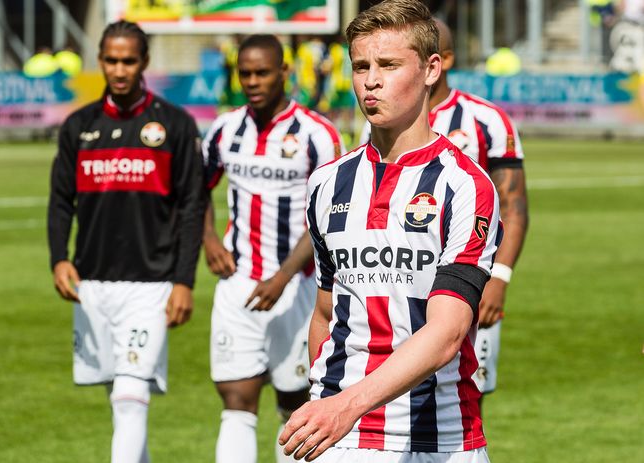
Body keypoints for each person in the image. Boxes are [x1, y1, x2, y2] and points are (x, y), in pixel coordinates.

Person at [279, 1, 501, 462]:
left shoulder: (465, 185)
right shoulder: (327, 182)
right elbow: (326, 311)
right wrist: (326, 406)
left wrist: (348, 405)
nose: (370, 81)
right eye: (361, 66)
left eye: (388, 65)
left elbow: (447, 333)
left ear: (430, 69)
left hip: (437, 435)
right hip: (340, 437)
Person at [47, 20, 206, 463]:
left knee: (131, 394)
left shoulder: (173, 124)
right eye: (112, 60)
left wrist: (183, 281)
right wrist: (59, 258)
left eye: (129, 61)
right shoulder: (78, 126)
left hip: (151, 283)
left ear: (144, 63)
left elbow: (192, 207)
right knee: (120, 399)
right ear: (100, 61)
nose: (120, 70)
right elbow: (60, 201)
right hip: (92, 283)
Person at [360, 18, 529, 412]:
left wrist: (499, 277)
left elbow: (515, 205)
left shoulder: (486, 120)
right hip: (395, 278)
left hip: (470, 279)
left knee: (463, 395)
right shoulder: (382, 119)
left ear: (440, 61)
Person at [202, 34, 343, 463]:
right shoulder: (225, 129)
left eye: (262, 72)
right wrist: (209, 240)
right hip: (238, 283)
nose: (252, 81)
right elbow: (196, 189)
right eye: (244, 73)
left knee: (295, 401)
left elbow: (330, 216)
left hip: (298, 287)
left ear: (284, 72)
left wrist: (283, 276)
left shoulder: (317, 134)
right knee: (236, 399)